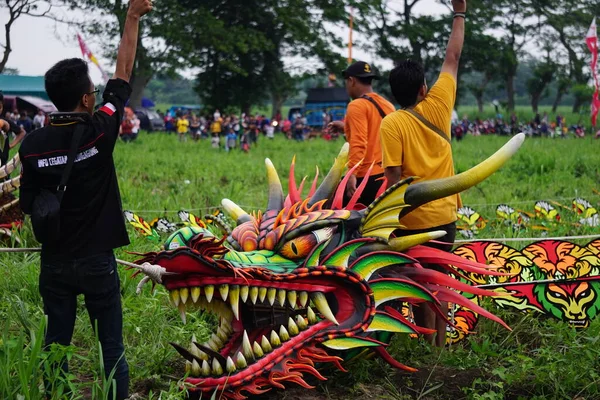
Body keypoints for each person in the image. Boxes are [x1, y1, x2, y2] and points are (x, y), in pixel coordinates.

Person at [17, 0, 153, 398]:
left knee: (55, 344)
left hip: (55, 263)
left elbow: (28, 204)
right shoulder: (100, 131)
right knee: (111, 347)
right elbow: (123, 73)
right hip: (97, 260)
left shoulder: (32, 146)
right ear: (87, 100)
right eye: (93, 91)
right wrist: (132, 18)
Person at [379, 0, 467, 347]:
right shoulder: (439, 104)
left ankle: (424, 341)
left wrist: (384, 222)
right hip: (444, 214)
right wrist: (459, 12)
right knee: (440, 280)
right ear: (423, 89)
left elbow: (393, 180)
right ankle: (439, 349)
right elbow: (453, 58)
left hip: (410, 220)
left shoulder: (392, 123)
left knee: (415, 280)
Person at [328, 61, 395, 207]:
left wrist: (352, 174)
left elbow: (359, 143)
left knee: (330, 211)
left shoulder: (356, 105)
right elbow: (376, 137)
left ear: (351, 81)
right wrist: (346, 128)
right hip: (387, 176)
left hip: (365, 177)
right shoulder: (387, 105)